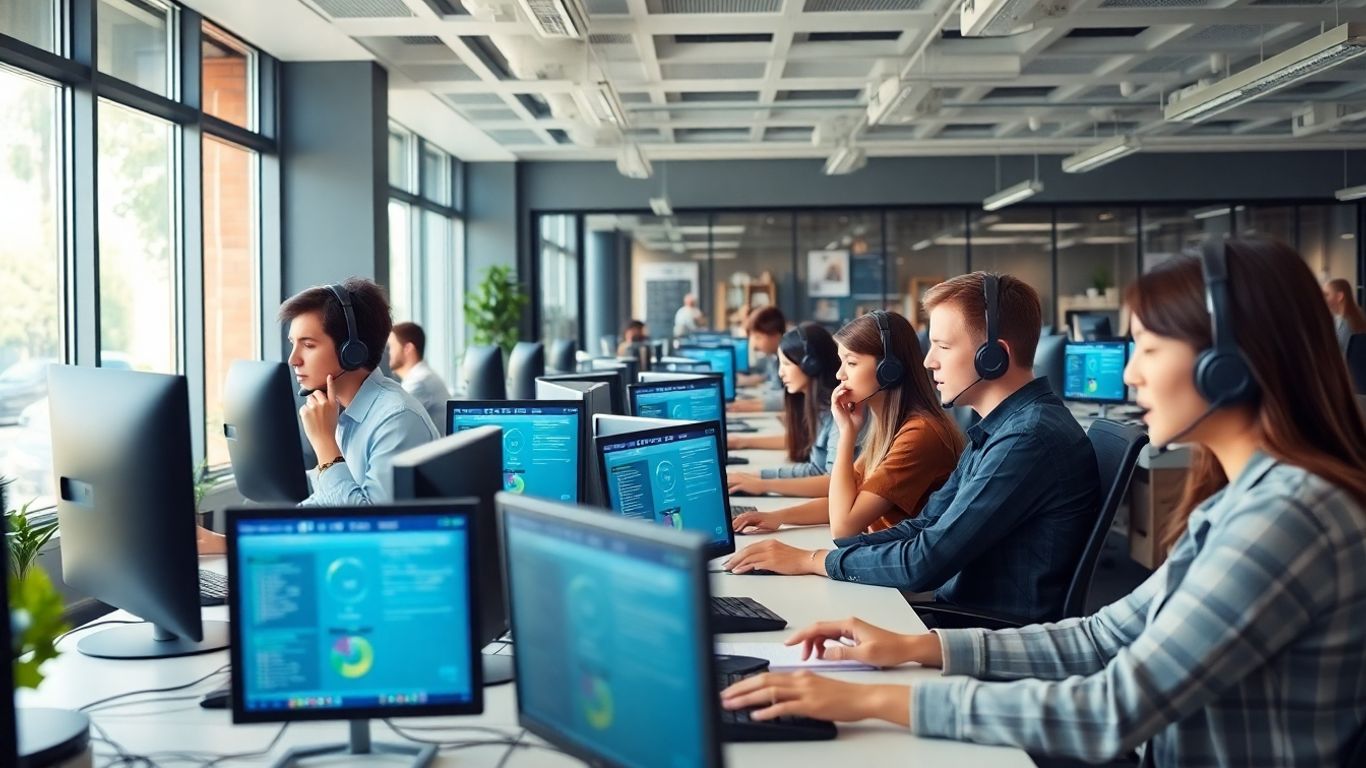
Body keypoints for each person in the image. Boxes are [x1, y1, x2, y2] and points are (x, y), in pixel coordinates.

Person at [720, 238, 1366, 767]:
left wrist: (874, 701)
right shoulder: (1242, 504)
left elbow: (1113, 710)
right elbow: (1107, 634)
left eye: (1148, 348)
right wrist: (918, 649)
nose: (1130, 373)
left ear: (1225, 367)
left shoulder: (1286, 518)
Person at [724, 273, 1099, 624]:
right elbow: (924, 524)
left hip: (978, 631)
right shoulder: (1000, 429)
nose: (927, 361)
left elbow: (925, 561)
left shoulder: (1026, 439)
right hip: (956, 612)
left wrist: (813, 560)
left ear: (992, 357)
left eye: (943, 346)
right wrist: (835, 554)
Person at [199, 279, 439, 554]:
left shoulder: (397, 419)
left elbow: (369, 531)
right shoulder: (345, 411)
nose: (294, 359)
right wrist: (230, 542)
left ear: (352, 351)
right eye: (293, 344)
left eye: (308, 345)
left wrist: (325, 443)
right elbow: (325, 502)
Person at [730, 313, 962, 539]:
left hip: (892, 559)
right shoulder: (887, 428)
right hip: (878, 554)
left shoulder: (919, 434)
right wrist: (777, 517)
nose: (840, 374)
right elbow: (842, 501)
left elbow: (843, 528)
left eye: (851, 363)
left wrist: (846, 434)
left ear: (888, 371)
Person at [726, 322, 853, 500]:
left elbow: (832, 482)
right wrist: (755, 476)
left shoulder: (840, 412)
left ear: (811, 365)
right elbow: (815, 469)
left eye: (786, 364)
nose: (780, 373)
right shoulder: (818, 408)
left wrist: (762, 484)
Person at [386, 321, 451, 430]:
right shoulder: (421, 377)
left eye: (391, 347)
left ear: (408, 348)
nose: (388, 353)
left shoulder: (419, 382)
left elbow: (391, 420)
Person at [730, 305, 786, 412]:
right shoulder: (773, 357)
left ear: (775, 335)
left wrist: (752, 406)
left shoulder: (791, 359)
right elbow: (774, 389)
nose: (754, 345)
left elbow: (793, 396)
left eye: (758, 337)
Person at [1323, 277, 1366, 353]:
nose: (1323, 298)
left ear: (1339, 296)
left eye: (1326, 295)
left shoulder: (1346, 325)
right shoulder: (1352, 317)